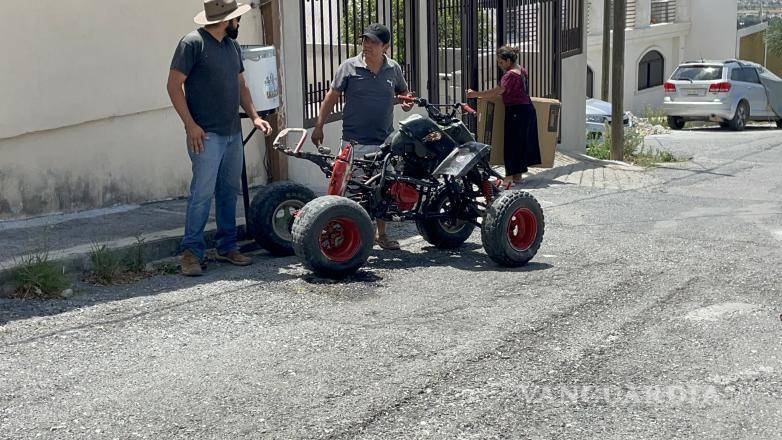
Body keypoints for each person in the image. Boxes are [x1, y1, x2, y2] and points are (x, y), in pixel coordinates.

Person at [167, 0, 272, 277]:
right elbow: (173, 86)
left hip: (231, 133)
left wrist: (255, 116)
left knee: (228, 191)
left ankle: (227, 246)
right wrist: (190, 126)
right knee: (201, 194)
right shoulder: (192, 44)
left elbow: (241, 86)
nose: (238, 23)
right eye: (236, 18)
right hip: (206, 135)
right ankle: (191, 253)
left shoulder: (231, 46)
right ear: (226, 20)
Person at [311, 23, 414, 250]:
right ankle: (347, 237)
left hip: (385, 141)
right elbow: (331, 96)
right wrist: (318, 126)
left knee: (383, 190)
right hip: (354, 142)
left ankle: (381, 235)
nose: (366, 45)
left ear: (385, 46)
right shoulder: (348, 67)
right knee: (350, 191)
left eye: (373, 42)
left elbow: (403, 94)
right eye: (364, 40)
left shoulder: (393, 68)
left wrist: (406, 102)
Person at [466, 46, 541, 187]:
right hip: (527, 110)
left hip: (516, 112)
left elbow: (498, 91)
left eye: (501, 62)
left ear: (507, 60)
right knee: (520, 144)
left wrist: (475, 94)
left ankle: (508, 179)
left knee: (511, 144)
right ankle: (517, 176)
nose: (499, 65)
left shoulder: (510, 75)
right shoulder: (521, 70)